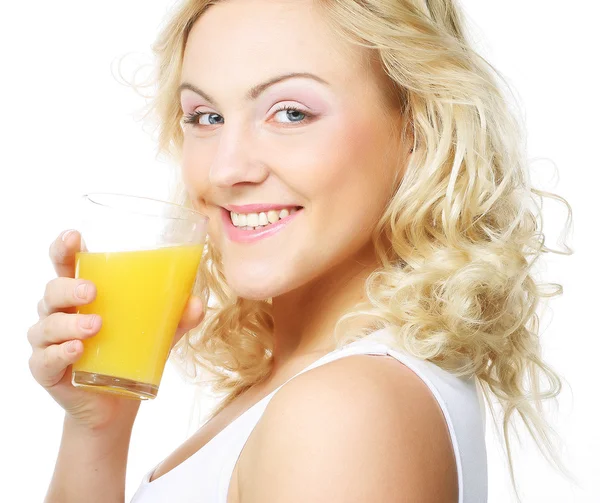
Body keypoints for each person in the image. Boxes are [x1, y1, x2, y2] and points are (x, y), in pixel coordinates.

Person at [27, 0, 572, 501]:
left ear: (417, 131)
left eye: (290, 113)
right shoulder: (318, 384)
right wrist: (97, 429)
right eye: (205, 117)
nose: (226, 169)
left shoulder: (342, 411)